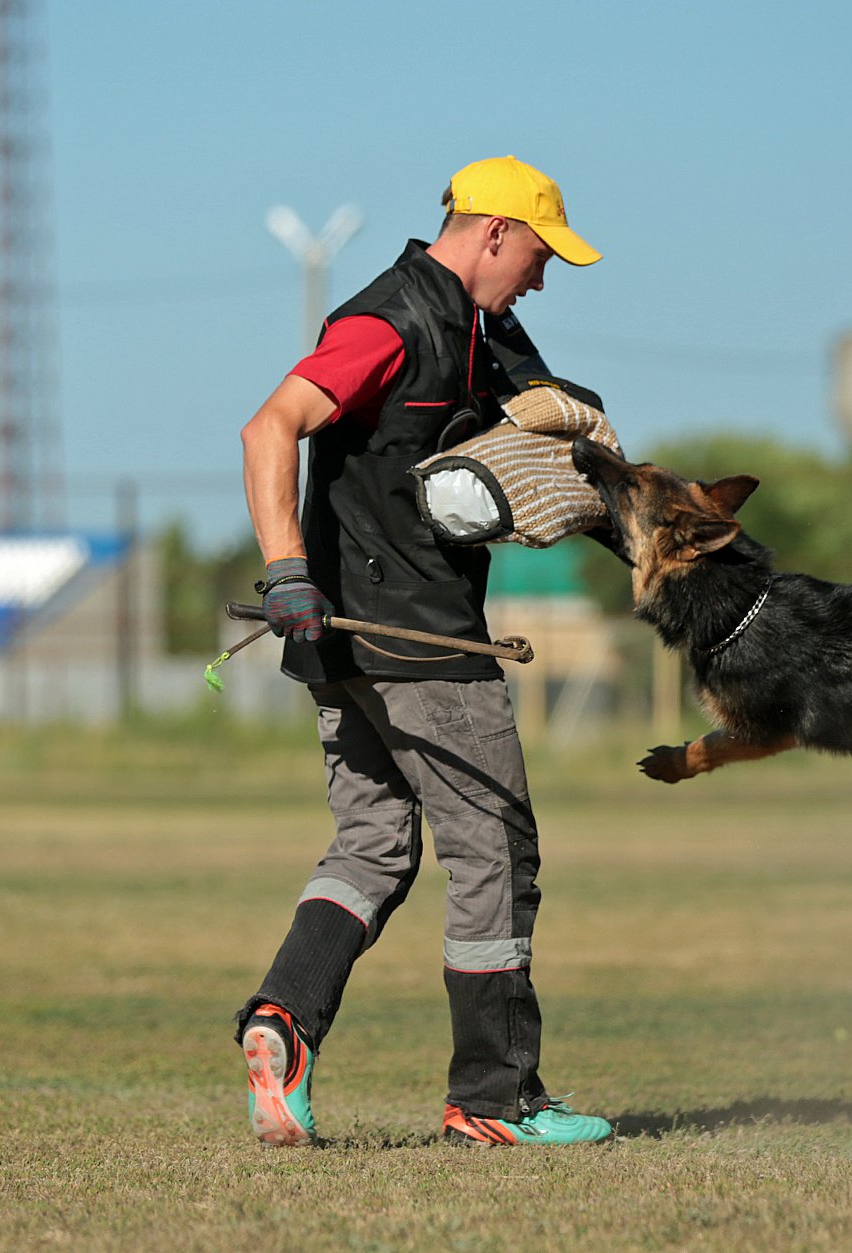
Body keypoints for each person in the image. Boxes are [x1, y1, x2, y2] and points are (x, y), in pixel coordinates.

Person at [234, 156, 614, 1148]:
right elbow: (270, 426)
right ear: (492, 232)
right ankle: (492, 1100)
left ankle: (282, 1022)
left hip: (345, 647)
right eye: (537, 255)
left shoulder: (474, 323)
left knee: (371, 844)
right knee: (494, 850)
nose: (540, 278)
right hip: (416, 641)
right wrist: (283, 570)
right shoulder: (392, 319)